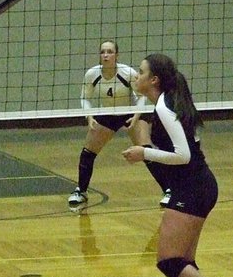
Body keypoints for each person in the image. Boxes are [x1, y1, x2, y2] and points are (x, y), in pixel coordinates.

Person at [122, 54, 233, 277]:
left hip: (193, 187)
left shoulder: (165, 105)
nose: (136, 76)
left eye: (141, 72)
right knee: (185, 262)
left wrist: (143, 152)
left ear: (154, 80)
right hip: (195, 185)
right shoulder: (164, 102)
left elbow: (183, 155)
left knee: (169, 261)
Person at [68, 40, 170, 211]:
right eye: (103, 52)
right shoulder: (92, 74)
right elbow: (85, 97)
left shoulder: (127, 72)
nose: (106, 55)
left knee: (145, 149)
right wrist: (89, 116)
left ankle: (168, 191)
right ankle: (81, 191)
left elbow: (141, 96)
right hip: (107, 114)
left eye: (110, 52)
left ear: (116, 55)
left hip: (130, 112)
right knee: (87, 152)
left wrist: (137, 116)